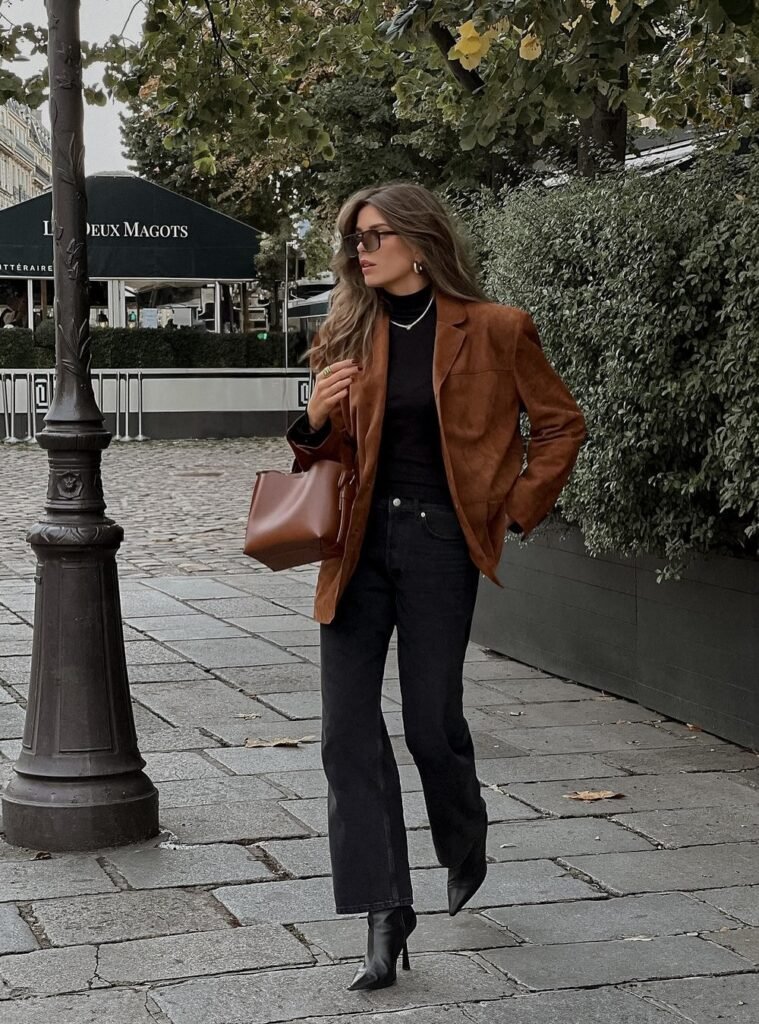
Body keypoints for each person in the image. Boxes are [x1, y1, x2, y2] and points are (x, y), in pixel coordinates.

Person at [286, 182, 586, 992]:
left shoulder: (495, 330)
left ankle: (462, 833)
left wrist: (510, 511)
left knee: (429, 727)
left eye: (376, 234)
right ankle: (386, 911)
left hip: (437, 545)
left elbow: (560, 423)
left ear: (419, 241)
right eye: (355, 236)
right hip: (355, 545)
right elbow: (324, 456)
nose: (362, 249)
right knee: (344, 734)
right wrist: (311, 418)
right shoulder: (346, 332)